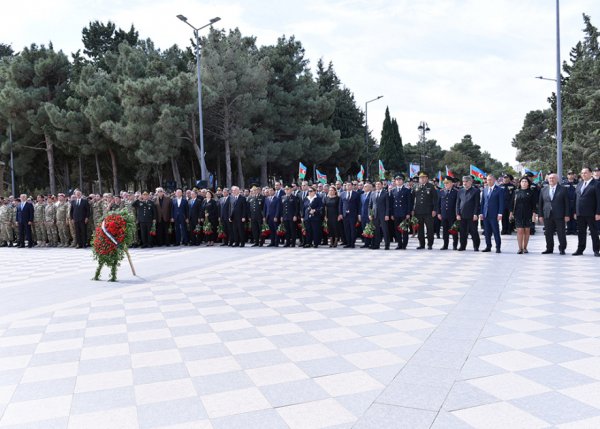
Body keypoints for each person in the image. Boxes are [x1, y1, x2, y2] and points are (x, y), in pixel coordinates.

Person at [538, 173, 570, 255]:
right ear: (547, 179)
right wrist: (540, 215)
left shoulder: (563, 189)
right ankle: (549, 248)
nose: (551, 180)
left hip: (560, 215)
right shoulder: (543, 190)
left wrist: (567, 215)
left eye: (553, 178)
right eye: (550, 178)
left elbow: (567, 203)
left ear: (557, 179)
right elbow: (540, 204)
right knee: (548, 232)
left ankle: (562, 248)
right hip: (547, 214)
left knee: (561, 232)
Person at [573, 167, 600, 256]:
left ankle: (596, 250)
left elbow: (599, 200)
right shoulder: (580, 184)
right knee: (581, 232)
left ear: (591, 173)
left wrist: (598, 213)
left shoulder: (596, 184)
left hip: (592, 213)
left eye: (585, 172)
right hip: (580, 213)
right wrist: (575, 212)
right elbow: (576, 199)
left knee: (594, 232)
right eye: (582, 173)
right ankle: (580, 249)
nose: (583, 174)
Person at [510, 176, 537, 254]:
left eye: (525, 181)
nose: (524, 183)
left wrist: (534, 214)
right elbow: (511, 204)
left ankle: (525, 247)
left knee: (527, 230)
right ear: (520, 183)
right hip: (518, 214)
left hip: (528, 214)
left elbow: (534, 205)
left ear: (528, 183)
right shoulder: (516, 192)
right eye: (522, 181)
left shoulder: (531, 192)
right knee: (520, 230)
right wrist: (511, 213)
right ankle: (520, 248)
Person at [412, 171, 438, 249]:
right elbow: (412, 199)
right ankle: (421, 244)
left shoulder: (431, 186)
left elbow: (435, 199)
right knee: (420, 229)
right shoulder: (415, 187)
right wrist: (412, 209)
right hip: (418, 211)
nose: (422, 179)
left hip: (428, 211)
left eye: (424, 177)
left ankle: (430, 244)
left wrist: (434, 210)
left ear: (427, 178)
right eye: (420, 178)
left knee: (430, 228)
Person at [480, 174, 505, 253]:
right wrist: (481, 213)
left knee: (496, 231)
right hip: (485, 214)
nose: (488, 181)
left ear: (494, 180)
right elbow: (483, 202)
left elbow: (501, 203)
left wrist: (500, 214)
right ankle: (488, 246)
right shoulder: (485, 189)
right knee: (487, 232)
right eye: (487, 180)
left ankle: (498, 247)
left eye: (490, 179)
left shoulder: (499, 190)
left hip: (494, 214)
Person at [456, 176, 481, 251]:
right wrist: (457, 213)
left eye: (466, 181)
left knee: (474, 231)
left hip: (472, 215)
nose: (464, 183)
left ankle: (476, 246)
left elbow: (477, 204)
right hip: (462, 215)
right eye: (463, 181)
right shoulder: (460, 191)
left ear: (470, 182)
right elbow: (457, 203)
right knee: (462, 232)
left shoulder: (476, 191)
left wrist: (475, 214)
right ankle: (462, 246)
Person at [389, 175, 412, 250]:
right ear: (395, 181)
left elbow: (409, 203)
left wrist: (408, 213)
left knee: (404, 229)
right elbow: (391, 204)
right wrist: (392, 214)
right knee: (397, 230)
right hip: (396, 213)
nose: (398, 181)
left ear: (403, 181)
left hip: (404, 213)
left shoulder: (407, 190)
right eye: (397, 180)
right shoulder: (393, 191)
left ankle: (404, 244)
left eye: (400, 179)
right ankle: (399, 244)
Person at [438, 177, 459, 250]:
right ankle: (445, 245)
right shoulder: (441, 191)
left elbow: (457, 204)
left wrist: (457, 214)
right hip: (444, 215)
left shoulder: (456, 192)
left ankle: (455, 245)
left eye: (447, 183)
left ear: (451, 183)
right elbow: (439, 204)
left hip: (453, 215)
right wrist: (439, 213)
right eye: (445, 183)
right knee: (445, 231)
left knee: (454, 230)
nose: (446, 184)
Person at [369, 181, 390, 250]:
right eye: (376, 184)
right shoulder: (372, 193)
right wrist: (370, 214)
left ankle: (387, 245)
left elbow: (387, 205)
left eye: (379, 184)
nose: (377, 185)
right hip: (375, 215)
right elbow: (370, 205)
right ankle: (376, 244)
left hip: (383, 215)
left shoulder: (385, 193)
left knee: (385, 230)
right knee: (376, 230)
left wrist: (387, 214)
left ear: (382, 185)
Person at [339, 181, 361, 248]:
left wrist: (358, 214)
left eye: (349, 185)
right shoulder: (342, 194)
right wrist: (340, 213)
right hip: (345, 214)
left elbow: (358, 205)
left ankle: (352, 243)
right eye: (346, 185)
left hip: (353, 214)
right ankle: (348, 243)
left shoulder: (356, 194)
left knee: (352, 229)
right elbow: (340, 205)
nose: (348, 187)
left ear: (352, 186)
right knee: (346, 229)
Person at [564, 170, 578, 235]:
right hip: (567, 202)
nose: (570, 175)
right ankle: (569, 229)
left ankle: (574, 229)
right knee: (568, 215)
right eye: (569, 174)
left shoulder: (577, 183)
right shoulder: (564, 184)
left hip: (575, 202)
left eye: (572, 174)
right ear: (567, 175)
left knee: (574, 215)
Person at [359, 183, 373, 248]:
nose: (364, 187)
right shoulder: (362, 195)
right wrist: (359, 214)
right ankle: (366, 243)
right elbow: (360, 205)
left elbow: (372, 206)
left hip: (369, 215)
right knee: (364, 228)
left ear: (370, 188)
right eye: (364, 186)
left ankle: (371, 242)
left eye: (366, 186)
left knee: (370, 228)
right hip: (363, 214)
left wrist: (371, 214)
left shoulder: (372, 194)